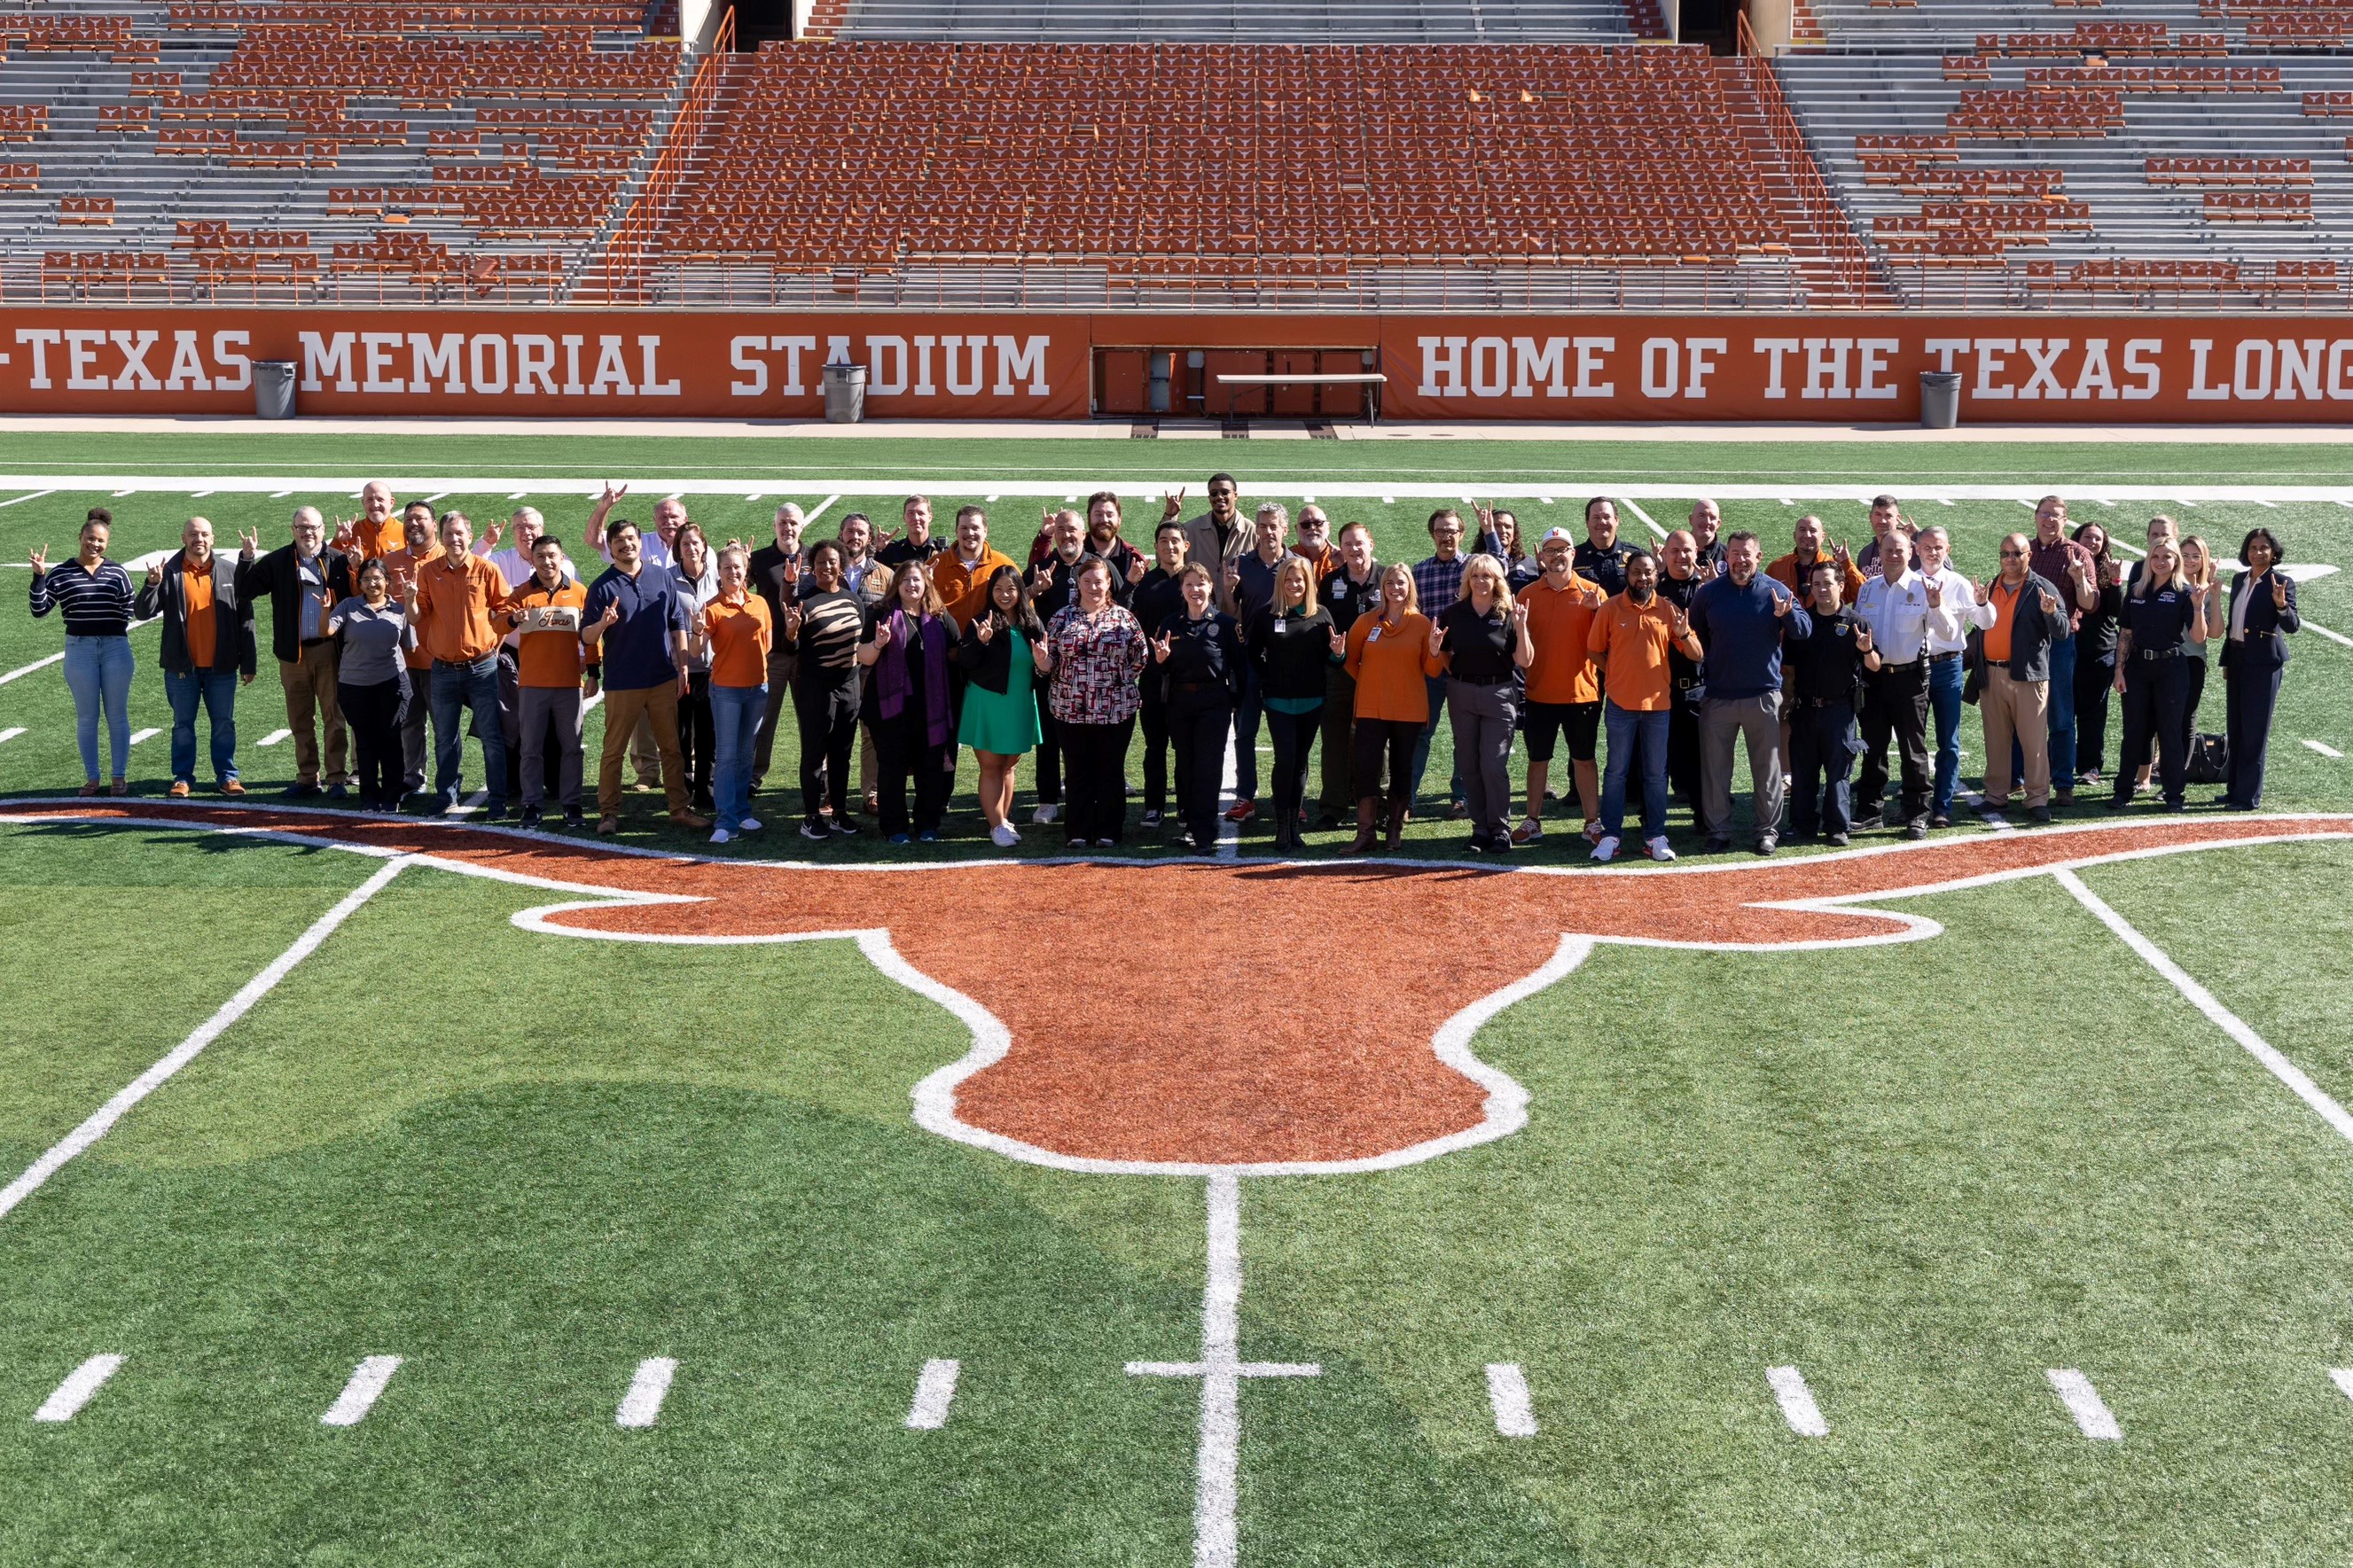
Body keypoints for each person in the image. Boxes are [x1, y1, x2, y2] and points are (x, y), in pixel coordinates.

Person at [581, 516, 704, 836]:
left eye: (631, 538)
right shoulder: (602, 586)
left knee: (671, 748)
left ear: (639, 541)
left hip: (662, 677)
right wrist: (603, 624)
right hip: (623, 682)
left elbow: (677, 622)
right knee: (613, 751)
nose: (626, 544)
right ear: (611, 546)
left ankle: (679, 808)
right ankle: (608, 812)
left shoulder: (661, 577)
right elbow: (587, 638)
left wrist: (683, 665)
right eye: (619, 540)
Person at [1689, 530, 1808, 854]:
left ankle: (1767, 831)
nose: (1740, 560)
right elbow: (1699, 635)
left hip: (1763, 696)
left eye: (1747, 554)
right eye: (1735, 553)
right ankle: (1718, 831)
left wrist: (1788, 615)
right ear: (1726, 557)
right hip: (1719, 696)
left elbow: (1804, 630)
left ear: (1758, 556)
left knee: (1767, 771)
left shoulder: (1775, 590)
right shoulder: (1709, 593)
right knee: (1715, 770)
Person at [1586, 550, 1700, 862]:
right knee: (1616, 773)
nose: (1642, 577)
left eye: (1648, 572)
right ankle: (1611, 834)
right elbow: (1594, 651)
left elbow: (1696, 654)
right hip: (1621, 705)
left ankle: (1655, 835)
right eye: (1636, 572)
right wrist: (1618, 673)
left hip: (1658, 707)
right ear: (1628, 574)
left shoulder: (1667, 610)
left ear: (1657, 575)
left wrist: (1684, 633)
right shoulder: (1610, 608)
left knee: (1655, 774)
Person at [237, 506, 354, 799]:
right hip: (294, 654)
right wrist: (248, 557)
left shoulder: (338, 561)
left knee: (334, 718)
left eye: (313, 527)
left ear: (323, 530)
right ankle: (307, 777)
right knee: (300, 720)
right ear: (293, 531)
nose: (307, 533)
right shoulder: (278, 561)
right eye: (301, 528)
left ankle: (337, 777)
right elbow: (246, 590)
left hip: (330, 651)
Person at [136, 515, 254, 799]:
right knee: (183, 727)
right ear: (183, 538)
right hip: (181, 668)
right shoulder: (169, 571)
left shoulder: (229, 571)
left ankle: (227, 776)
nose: (198, 539)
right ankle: (183, 777)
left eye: (204, 534)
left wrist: (248, 663)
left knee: (224, 724)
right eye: (192, 534)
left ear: (213, 539)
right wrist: (152, 584)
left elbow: (246, 620)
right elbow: (143, 612)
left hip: (222, 666)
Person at [407, 511, 512, 818]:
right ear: (441, 537)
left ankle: (498, 798)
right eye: (449, 533)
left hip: (482, 667)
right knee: (445, 738)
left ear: (469, 535)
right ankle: (447, 795)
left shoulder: (486, 570)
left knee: (492, 737)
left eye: (460, 533)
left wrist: (493, 646)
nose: (455, 539)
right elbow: (416, 617)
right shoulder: (428, 571)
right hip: (442, 668)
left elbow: (504, 613)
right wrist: (411, 598)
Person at [28, 508, 138, 798]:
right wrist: (39, 577)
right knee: (87, 717)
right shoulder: (62, 572)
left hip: (115, 647)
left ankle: (119, 777)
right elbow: (39, 610)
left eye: (100, 541)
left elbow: (131, 610)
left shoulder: (117, 571)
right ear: (80, 537)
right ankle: (92, 777)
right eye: (90, 538)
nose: (95, 544)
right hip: (79, 650)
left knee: (117, 715)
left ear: (107, 543)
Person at [1044, 555, 1147, 848]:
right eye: (1086, 581)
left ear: (1108, 583)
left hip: (1115, 709)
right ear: (1078, 584)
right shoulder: (1061, 617)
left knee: (1110, 770)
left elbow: (1140, 658)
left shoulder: (1124, 618)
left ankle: (1109, 830)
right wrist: (1043, 662)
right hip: (1069, 709)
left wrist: (1116, 682)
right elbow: (1047, 662)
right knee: (1077, 770)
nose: (1092, 587)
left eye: (1098, 581)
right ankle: (1077, 830)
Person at [1513, 527, 1607, 847]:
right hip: (1539, 693)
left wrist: (1596, 610)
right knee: (1537, 759)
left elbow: (1608, 642)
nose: (1556, 555)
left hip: (1582, 693)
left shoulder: (1593, 592)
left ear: (1573, 553)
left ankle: (1592, 822)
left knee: (1584, 759)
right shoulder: (1526, 595)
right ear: (1541, 555)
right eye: (1550, 550)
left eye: (1563, 549)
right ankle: (1533, 819)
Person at [1343, 563, 1446, 854]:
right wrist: (1369, 681)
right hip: (1371, 708)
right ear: (1382, 588)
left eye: (1401, 583)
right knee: (1366, 769)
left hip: (1408, 710)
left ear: (1409, 588)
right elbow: (1350, 660)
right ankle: (1366, 833)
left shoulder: (1422, 624)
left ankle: (1394, 832)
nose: (1395, 588)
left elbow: (1433, 670)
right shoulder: (1366, 622)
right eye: (1390, 583)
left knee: (1402, 771)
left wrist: (1436, 650)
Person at [1434, 554, 1534, 854]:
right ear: (1468, 580)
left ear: (1497, 581)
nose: (1481, 581)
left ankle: (1500, 829)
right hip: (1462, 692)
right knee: (1470, 765)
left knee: (1493, 764)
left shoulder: (1508, 613)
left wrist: (1522, 626)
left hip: (1499, 694)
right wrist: (1451, 669)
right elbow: (1444, 654)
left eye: (1487, 576)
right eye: (1475, 576)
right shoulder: (1454, 613)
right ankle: (1479, 829)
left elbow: (1525, 660)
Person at [857, 559, 958, 845]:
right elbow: (863, 656)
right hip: (891, 711)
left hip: (931, 710)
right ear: (896, 584)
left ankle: (928, 824)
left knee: (930, 769)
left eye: (917, 579)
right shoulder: (881, 613)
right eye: (905, 580)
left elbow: (957, 650)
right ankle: (895, 827)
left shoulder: (939, 617)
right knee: (892, 770)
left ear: (926, 582)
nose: (911, 585)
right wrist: (878, 643)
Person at [1245, 553, 1340, 854]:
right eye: (1288, 579)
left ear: (1308, 582)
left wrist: (1339, 653)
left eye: (1299, 580)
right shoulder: (1266, 615)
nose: (1294, 584)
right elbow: (1252, 654)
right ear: (1280, 583)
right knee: (1285, 761)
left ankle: (1294, 827)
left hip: (1312, 701)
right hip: (1278, 703)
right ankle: (1281, 825)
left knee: (1300, 764)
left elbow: (1334, 660)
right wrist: (1269, 679)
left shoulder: (1321, 614)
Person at [1780, 560, 1880, 846]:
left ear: (1840, 586)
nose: (1822, 589)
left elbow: (1874, 666)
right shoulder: (1803, 622)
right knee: (1804, 771)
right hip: (1805, 708)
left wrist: (1867, 649)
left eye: (1828, 583)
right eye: (1817, 584)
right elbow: (1788, 667)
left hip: (1840, 710)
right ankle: (1802, 825)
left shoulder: (1856, 623)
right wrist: (1786, 704)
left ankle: (1837, 826)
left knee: (1839, 772)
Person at [1975, 532, 2069, 822]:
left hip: (2028, 677)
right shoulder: (1990, 587)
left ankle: (2037, 798)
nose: (2011, 559)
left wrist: (2052, 613)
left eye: (2017, 553)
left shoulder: (2042, 588)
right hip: (1991, 673)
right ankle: (1996, 796)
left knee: (2033, 742)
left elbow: (2063, 631)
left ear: (2029, 555)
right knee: (1996, 739)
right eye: (2005, 554)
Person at [2110, 537, 2208, 813]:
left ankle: (2174, 794)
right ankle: (2123, 790)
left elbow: (2199, 636)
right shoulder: (2137, 590)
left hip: (2171, 668)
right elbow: (2126, 633)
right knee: (2134, 732)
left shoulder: (2184, 592)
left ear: (2175, 560)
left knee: (2170, 733)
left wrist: (2199, 606)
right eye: (2156, 556)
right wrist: (2119, 669)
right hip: (2138, 668)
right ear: (2148, 559)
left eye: (2167, 556)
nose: (2161, 561)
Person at [502, 533, 592, 831]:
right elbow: (496, 621)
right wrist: (513, 619)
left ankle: (572, 803)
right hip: (532, 684)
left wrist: (594, 671)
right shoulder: (521, 593)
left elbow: (592, 638)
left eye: (552, 555)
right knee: (530, 748)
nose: (547, 561)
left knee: (572, 747)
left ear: (562, 557)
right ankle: (531, 804)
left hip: (569, 684)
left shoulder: (580, 593)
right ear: (532, 560)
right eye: (540, 556)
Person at [1152, 562, 1243, 854]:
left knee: (1208, 767)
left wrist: (1237, 702)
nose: (1195, 590)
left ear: (1210, 587)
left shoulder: (1226, 625)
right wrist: (1162, 660)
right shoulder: (1169, 625)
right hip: (1179, 703)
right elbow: (1160, 671)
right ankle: (1191, 825)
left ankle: (1204, 829)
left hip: (1214, 704)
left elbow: (1239, 668)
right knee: (1186, 765)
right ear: (1181, 589)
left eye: (1200, 584)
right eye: (1189, 584)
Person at [956, 565, 1048, 848]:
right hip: (988, 702)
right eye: (998, 589)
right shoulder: (981, 621)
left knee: (1009, 766)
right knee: (992, 766)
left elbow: (1043, 667)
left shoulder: (1032, 622)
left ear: (1020, 591)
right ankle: (996, 826)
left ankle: (1003, 819)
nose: (1004, 595)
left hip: (1020, 702)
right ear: (990, 592)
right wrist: (980, 643)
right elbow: (965, 662)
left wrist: (1044, 662)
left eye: (1010, 589)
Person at [1850, 527, 1933, 839]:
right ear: (1880, 554)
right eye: (1888, 550)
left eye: (1900, 550)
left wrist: (1937, 608)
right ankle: (1870, 810)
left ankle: (1917, 813)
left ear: (1911, 553)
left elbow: (1939, 630)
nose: (1894, 555)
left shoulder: (1924, 587)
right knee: (1873, 748)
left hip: (1909, 679)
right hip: (1874, 678)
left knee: (1913, 750)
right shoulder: (1868, 588)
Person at [781, 540, 864, 839]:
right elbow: (791, 648)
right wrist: (791, 630)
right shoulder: (805, 600)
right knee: (815, 753)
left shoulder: (853, 600)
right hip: (816, 688)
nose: (826, 566)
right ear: (811, 567)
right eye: (820, 562)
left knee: (842, 754)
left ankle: (840, 812)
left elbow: (860, 641)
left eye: (832, 561)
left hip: (849, 686)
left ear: (841, 566)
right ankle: (811, 816)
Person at [2021, 495, 2099, 806]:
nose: (2049, 520)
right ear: (2036, 517)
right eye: (2044, 514)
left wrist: (2079, 578)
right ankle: (2020, 778)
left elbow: (2090, 604)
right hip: (2025, 642)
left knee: (2061, 713)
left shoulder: (2077, 554)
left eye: (2055, 516)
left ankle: (2064, 782)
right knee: (2022, 713)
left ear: (2065, 521)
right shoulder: (2023, 551)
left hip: (2059, 644)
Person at [697, 543, 775, 845]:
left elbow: (767, 644)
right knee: (728, 756)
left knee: (745, 755)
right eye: (727, 567)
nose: (733, 572)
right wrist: (695, 630)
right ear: (719, 571)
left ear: (746, 572)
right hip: (727, 690)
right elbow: (695, 649)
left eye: (737, 567)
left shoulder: (760, 603)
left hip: (758, 688)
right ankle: (726, 820)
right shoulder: (712, 607)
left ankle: (742, 811)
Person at [2218, 527, 2300, 811]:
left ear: (2274, 553)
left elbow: (2292, 625)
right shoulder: (2240, 580)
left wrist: (2280, 606)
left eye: (2264, 548)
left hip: (2263, 664)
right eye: (2253, 548)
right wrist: (2227, 660)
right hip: (2238, 660)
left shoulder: (2282, 582)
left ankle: (2247, 796)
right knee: (2236, 728)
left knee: (2254, 731)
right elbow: (2233, 625)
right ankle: (2233, 790)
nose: (2258, 553)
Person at [1223, 502, 1294, 828]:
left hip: (1287, 660)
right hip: (1251, 659)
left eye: (1273, 525)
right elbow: (1228, 610)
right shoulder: (1241, 564)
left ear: (1285, 529)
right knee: (1245, 732)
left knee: (1288, 735)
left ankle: (1292, 796)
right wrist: (1227, 588)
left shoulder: (1298, 564)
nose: (1267, 531)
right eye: (1262, 525)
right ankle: (1246, 796)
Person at [324, 558, 413, 814]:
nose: (372, 583)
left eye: (377, 578)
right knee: (365, 740)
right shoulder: (348, 605)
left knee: (391, 738)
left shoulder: (399, 609)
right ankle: (369, 796)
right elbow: (326, 630)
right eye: (366, 579)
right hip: (354, 685)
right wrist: (324, 611)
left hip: (392, 683)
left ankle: (392, 794)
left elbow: (410, 645)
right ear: (359, 583)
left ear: (387, 581)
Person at [1914, 526, 1982, 829]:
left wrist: (1982, 603)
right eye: (1927, 546)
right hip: (1912, 666)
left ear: (1948, 550)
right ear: (1916, 549)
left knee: (1949, 742)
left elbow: (1983, 621)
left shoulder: (1959, 584)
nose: (1932, 552)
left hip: (1948, 666)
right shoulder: (1906, 582)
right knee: (1912, 740)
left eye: (1938, 547)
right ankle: (1915, 804)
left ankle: (1942, 806)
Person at [1407, 507, 1473, 816]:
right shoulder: (1419, 571)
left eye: (1451, 530)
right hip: (1432, 666)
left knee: (1464, 734)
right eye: (1440, 531)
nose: (1446, 536)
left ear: (1462, 533)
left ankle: (1462, 797)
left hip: (1465, 666)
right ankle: (1406, 797)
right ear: (1432, 534)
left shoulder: (1474, 567)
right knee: (1421, 732)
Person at [1316, 521, 1381, 830]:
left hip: (1379, 673)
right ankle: (1333, 805)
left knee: (1378, 740)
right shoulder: (1330, 582)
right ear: (1339, 550)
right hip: (1340, 671)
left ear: (1371, 543)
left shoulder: (1388, 578)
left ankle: (1377, 806)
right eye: (1348, 544)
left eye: (1359, 543)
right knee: (1335, 738)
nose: (1354, 549)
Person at [1130, 520, 1191, 831]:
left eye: (1175, 540)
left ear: (1186, 546)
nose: (1170, 546)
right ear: (1155, 546)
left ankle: (1184, 806)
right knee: (1155, 746)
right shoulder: (1145, 582)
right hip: (1153, 676)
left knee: (1183, 746)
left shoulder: (1193, 579)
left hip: (1185, 677)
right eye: (1164, 540)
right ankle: (1154, 806)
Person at [381, 509, 441, 800]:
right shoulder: (390, 561)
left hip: (439, 658)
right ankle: (413, 777)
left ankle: (448, 779)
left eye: (421, 519)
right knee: (409, 722)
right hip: (401, 660)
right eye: (409, 519)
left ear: (434, 524)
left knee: (444, 723)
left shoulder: (446, 558)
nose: (414, 524)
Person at [748, 502, 808, 794]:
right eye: (783, 522)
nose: (788, 528)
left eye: (793, 523)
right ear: (775, 526)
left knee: (810, 716)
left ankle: (817, 774)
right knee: (765, 716)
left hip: (807, 653)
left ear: (802, 527)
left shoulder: (814, 557)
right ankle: (754, 774)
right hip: (772, 653)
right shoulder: (759, 559)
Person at [2068, 521, 2127, 794]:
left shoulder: (2106, 570)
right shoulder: (2064, 563)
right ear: (2077, 538)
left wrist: (2116, 581)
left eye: (2098, 539)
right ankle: (2060, 761)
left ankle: (2090, 766)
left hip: (2099, 651)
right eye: (2087, 537)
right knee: (2063, 712)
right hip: (2067, 649)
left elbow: (2116, 612)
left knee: (2093, 714)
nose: (2092, 542)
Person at [668, 523, 721, 816]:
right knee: (681, 732)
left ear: (704, 546)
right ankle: (681, 787)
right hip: (679, 667)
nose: (691, 548)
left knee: (708, 732)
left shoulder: (717, 577)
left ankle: (705, 787)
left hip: (713, 667)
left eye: (696, 542)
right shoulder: (668, 578)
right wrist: (675, 664)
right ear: (679, 549)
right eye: (685, 543)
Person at [1656, 529, 1709, 815]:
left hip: (1697, 689)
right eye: (1674, 551)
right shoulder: (1653, 591)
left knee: (1701, 760)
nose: (1681, 556)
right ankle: (1652, 823)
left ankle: (1704, 821)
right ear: (1665, 554)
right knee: (1656, 763)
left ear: (1696, 553)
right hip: (1660, 690)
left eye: (1687, 550)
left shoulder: (1708, 590)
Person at [1168, 473, 1255, 614]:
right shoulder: (1191, 529)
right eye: (1214, 493)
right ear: (1209, 498)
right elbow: (1166, 558)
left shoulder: (1253, 531)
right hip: (1198, 615)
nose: (1219, 497)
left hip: (1238, 618)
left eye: (1225, 492)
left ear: (1236, 495)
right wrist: (1170, 517)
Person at [2178, 534, 2230, 738]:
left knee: (2186, 718)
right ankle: (2155, 765)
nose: (2190, 560)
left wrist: (2215, 595)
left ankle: (2177, 769)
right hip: (2165, 658)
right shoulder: (2165, 584)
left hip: (2192, 659)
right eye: (2185, 555)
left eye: (2196, 556)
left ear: (2204, 560)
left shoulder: (2207, 590)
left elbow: (2216, 633)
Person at [935, 503, 1016, 628]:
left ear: (985, 530)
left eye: (975, 528)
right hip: (948, 644)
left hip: (991, 642)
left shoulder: (1003, 564)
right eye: (964, 528)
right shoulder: (935, 565)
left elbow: (1023, 604)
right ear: (956, 531)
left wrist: (1034, 589)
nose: (970, 533)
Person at [1766, 515, 1863, 603]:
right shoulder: (1776, 567)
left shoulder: (1834, 567)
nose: (1807, 535)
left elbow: (1863, 594)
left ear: (1823, 536)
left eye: (1813, 530)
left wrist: (1846, 564)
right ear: (1794, 535)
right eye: (1802, 530)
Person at [1572, 496, 1634, 597]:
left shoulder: (1635, 555)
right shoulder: (1573, 557)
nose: (1602, 522)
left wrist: (1661, 568)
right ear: (1587, 522)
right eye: (1596, 518)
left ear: (1617, 520)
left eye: (1607, 517)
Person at [877, 495, 947, 568]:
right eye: (910, 513)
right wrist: (878, 549)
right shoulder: (892, 551)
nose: (916, 518)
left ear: (930, 517)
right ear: (904, 518)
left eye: (921, 513)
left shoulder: (943, 551)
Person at [1855, 494, 1907, 574]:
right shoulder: (1865, 553)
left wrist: (1918, 535)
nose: (1882, 521)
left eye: (1888, 516)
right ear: (1870, 517)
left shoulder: (1912, 550)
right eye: (1878, 514)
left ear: (1898, 519)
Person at [1686, 500, 1727, 576]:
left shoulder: (1728, 556)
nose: (1707, 522)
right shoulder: (1676, 552)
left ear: (1718, 524)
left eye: (1712, 518)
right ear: (1691, 519)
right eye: (1701, 516)